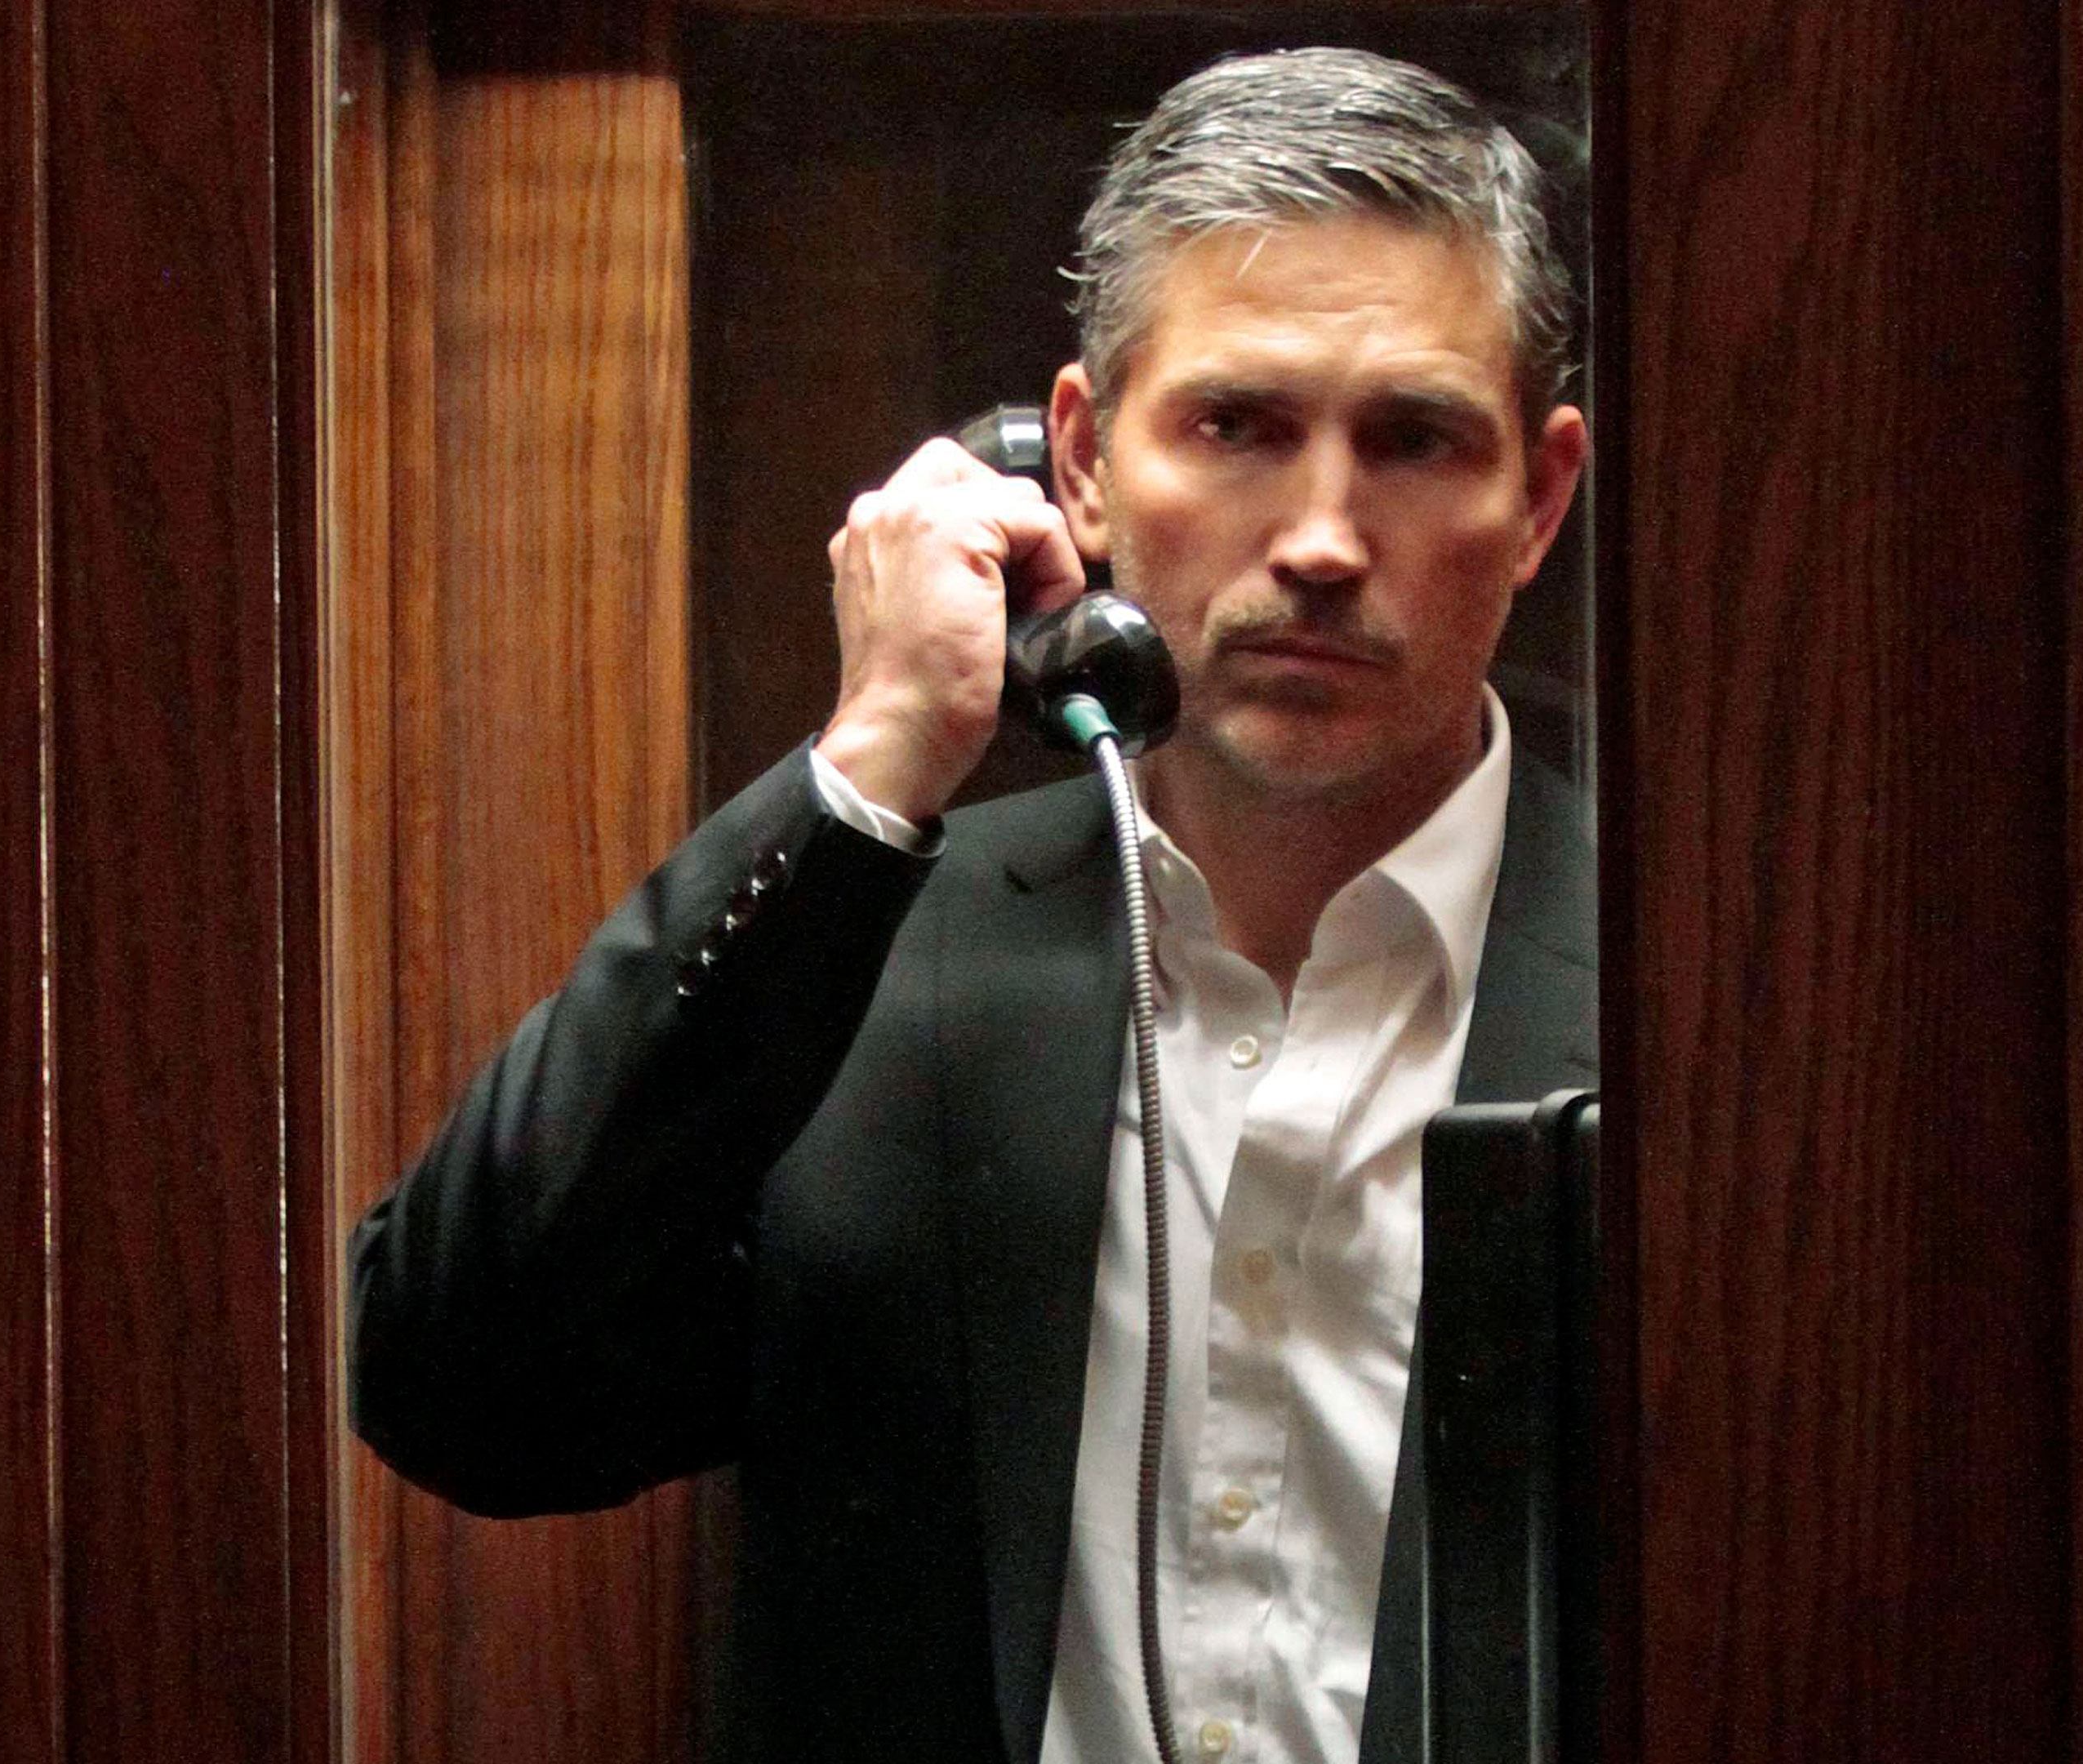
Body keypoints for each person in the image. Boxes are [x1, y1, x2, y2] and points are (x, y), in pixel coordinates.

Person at [349, 46, 1593, 1764]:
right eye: (1235, 426)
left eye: (1413, 440)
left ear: (1539, 500)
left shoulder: (1689, 992)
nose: (1320, 536)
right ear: (1077, 464)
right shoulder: (870, 972)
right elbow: (462, 1389)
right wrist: (869, 766)